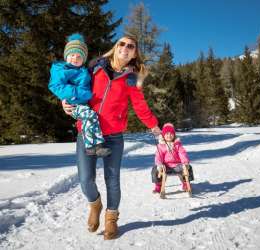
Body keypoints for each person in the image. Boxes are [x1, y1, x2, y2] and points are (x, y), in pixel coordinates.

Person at [62, 35, 161, 240]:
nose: (125, 47)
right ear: (115, 48)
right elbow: (72, 85)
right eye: (122, 44)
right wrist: (64, 102)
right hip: (87, 132)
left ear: (134, 53)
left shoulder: (131, 79)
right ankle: (95, 204)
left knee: (112, 180)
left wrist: (154, 126)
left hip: (114, 136)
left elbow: (140, 107)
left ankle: (111, 219)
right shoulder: (95, 67)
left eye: (131, 46)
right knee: (85, 179)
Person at [48, 33, 111, 157]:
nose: (75, 58)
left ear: (83, 59)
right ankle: (90, 146)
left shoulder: (83, 71)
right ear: (66, 56)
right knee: (90, 115)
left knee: (92, 117)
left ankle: (97, 146)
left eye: (79, 56)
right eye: (72, 55)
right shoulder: (60, 69)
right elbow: (56, 86)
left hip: (83, 102)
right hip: (73, 103)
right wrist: (80, 94)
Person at [151, 123, 194, 193]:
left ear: (174, 135)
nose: (169, 136)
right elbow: (158, 156)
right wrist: (159, 165)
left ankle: (186, 183)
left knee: (188, 168)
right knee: (155, 169)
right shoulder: (161, 146)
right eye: (167, 134)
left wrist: (185, 163)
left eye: (171, 134)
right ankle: (158, 185)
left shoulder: (177, 144)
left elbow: (182, 153)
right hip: (165, 166)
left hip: (177, 165)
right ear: (163, 135)